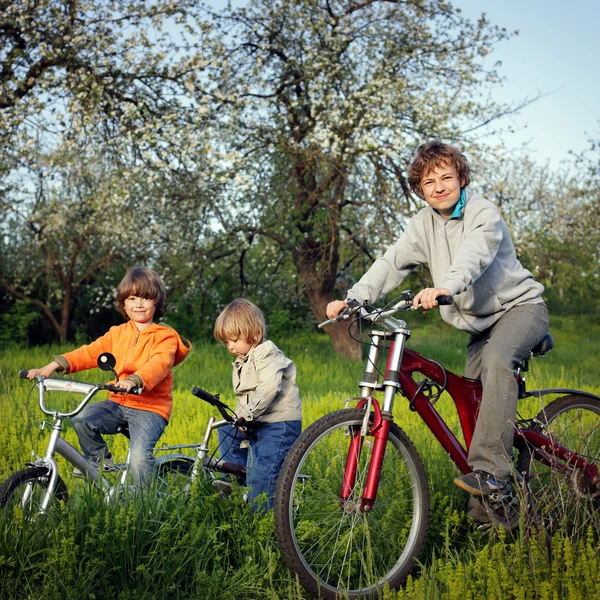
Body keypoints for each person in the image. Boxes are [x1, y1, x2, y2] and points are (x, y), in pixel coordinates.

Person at [326, 140, 549, 512]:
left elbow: (473, 253)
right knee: (472, 403)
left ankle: (493, 471)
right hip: (480, 327)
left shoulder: (483, 213)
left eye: (447, 177)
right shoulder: (421, 225)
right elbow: (392, 262)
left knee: (497, 361)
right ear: (420, 190)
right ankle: (492, 511)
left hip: (521, 308)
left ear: (461, 178)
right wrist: (355, 298)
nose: (440, 187)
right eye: (430, 183)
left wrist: (447, 285)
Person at [26, 266, 192, 487]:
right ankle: (101, 462)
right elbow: (90, 352)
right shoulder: (117, 333)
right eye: (132, 298)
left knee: (139, 460)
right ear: (123, 303)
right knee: (81, 418)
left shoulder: (165, 336)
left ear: (157, 303)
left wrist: (134, 380)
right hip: (118, 403)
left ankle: (150, 503)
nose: (138, 304)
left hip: (150, 408)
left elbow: (158, 364)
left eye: (145, 298)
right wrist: (53, 365)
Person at [213, 298, 302, 510]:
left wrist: (248, 414)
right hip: (258, 420)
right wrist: (238, 418)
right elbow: (243, 397)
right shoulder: (242, 360)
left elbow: (270, 387)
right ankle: (236, 477)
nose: (230, 346)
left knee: (263, 470)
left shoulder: (267, 353)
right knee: (227, 430)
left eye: (234, 339)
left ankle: (260, 519)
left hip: (279, 424)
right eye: (226, 342)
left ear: (253, 333)